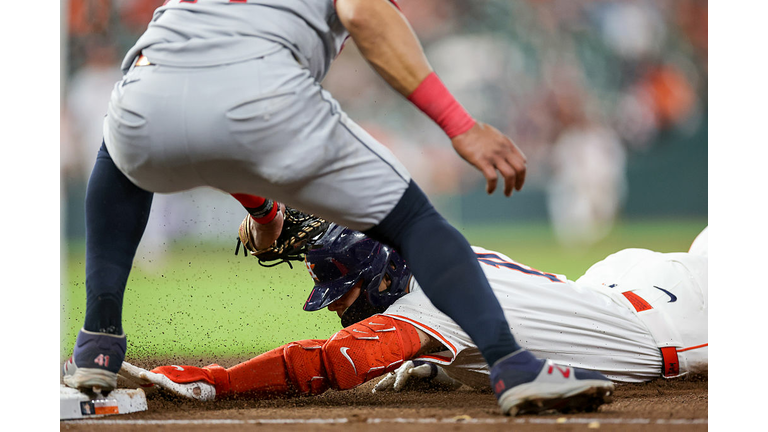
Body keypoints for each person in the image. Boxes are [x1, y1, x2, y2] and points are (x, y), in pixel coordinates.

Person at [62, 0, 594, 416]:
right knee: (414, 221)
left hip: (144, 94)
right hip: (264, 88)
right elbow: (363, 13)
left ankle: (98, 343)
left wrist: (267, 213)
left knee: (120, 156)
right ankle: (512, 365)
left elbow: (197, 98)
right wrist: (460, 125)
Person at [117, 225, 707, 415]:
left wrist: (215, 379)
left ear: (378, 279)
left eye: (346, 296)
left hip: (674, 325)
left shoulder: (427, 304)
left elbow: (328, 365)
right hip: (624, 284)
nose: (343, 310)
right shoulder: (436, 266)